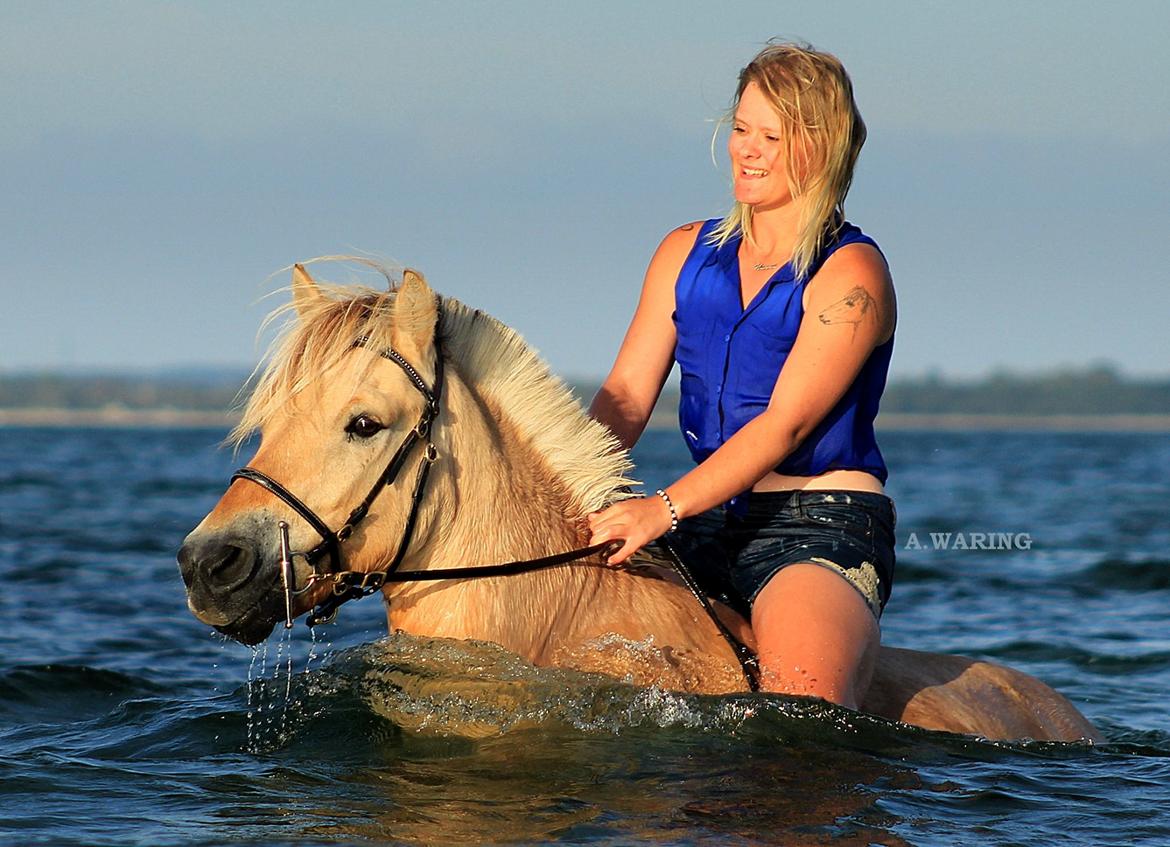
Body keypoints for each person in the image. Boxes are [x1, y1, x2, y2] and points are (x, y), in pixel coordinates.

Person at [586, 42, 897, 710]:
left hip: (818, 523)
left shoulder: (852, 274)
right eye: (740, 129)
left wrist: (660, 507)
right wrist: (562, 487)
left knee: (796, 710)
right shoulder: (682, 252)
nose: (745, 150)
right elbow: (626, 399)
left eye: (770, 137)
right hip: (705, 521)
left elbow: (783, 425)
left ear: (819, 147)